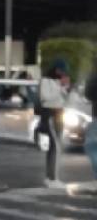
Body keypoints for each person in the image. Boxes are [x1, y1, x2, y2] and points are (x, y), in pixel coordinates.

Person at [39, 59, 70, 189]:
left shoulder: (58, 82)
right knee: (56, 147)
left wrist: (64, 88)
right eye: (61, 71)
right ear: (56, 69)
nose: (63, 74)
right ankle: (53, 179)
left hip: (59, 114)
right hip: (50, 114)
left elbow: (64, 98)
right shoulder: (46, 81)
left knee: (54, 147)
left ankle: (50, 178)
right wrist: (59, 88)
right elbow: (45, 97)